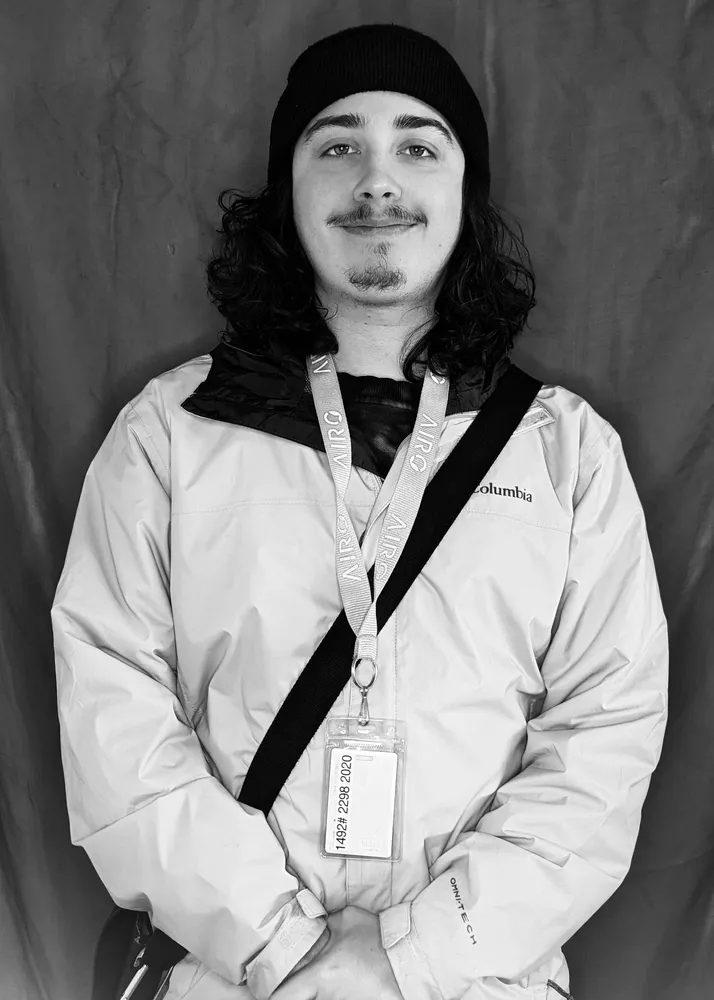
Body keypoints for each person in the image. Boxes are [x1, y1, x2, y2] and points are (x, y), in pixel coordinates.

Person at [51, 22, 669, 1000]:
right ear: (286, 190)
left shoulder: (566, 453)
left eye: (419, 146)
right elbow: (111, 711)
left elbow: (606, 734)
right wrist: (282, 946)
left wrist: (416, 951)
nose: (377, 180)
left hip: (477, 983)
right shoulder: (172, 435)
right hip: (235, 980)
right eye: (336, 145)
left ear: (465, 193)